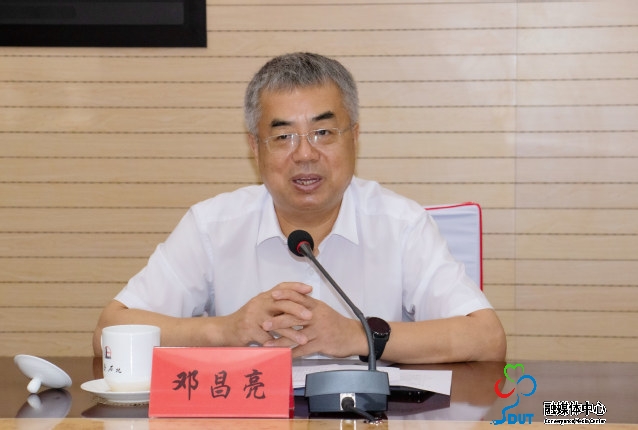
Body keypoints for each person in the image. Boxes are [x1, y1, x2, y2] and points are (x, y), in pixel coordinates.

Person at [93, 52, 506, 364]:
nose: (305, 154)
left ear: (354, 138)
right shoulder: (212, 225)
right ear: (255, 147)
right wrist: (226, 330)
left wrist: (356, 336)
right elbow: (108, 332)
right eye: (284, 137)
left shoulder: (401, 224)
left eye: (323, 132)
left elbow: (487, 339)